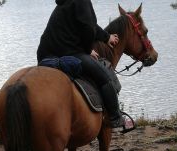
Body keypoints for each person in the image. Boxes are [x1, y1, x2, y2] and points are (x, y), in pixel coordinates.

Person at [37, 0, 126, 128]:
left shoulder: (64, 3)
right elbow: (88, 28)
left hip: (46, 57)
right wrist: (88, 50)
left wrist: (106, 37)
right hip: (70, 54)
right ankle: (116, 118)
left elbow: (88, 24)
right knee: (105, 78)